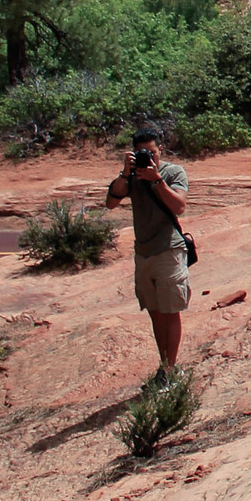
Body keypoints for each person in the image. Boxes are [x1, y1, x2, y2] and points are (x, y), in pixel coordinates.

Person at [104, 124, 190, 376]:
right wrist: (125, 173)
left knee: (170, 310)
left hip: (168, 250)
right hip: (143, 252)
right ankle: (164, 367)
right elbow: (110, 202)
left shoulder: (173, 172)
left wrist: (158, 180)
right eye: (142, 153)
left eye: (152, 153)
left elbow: (179, 206)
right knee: (155, 312)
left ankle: (171, 370)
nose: (148, 158)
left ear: (160, 150)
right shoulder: (132, 176)